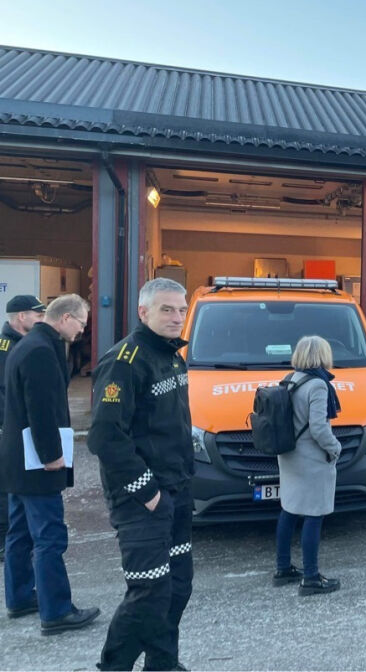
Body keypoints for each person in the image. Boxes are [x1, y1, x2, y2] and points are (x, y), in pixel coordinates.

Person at [88, 278, 193, 671]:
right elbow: (104, 436)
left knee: (177, 587)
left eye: (181, 309)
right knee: (149, 590)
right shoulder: (124, 361)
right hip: (142, 501)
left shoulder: (171, 356)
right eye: (167, 309)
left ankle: (163, 663)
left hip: (177, 494)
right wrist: (148, 492)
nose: (176, 317)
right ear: (143, 311)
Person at [0, 293, 99, 634]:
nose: (82, 331)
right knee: (49, 536)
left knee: (19, 531)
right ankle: (56, 611)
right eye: (82, 323)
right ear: (65, 318)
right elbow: (40, 409)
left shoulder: (25, 346)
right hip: (37, 461)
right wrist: (51, 456)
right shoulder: (41, 351)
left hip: (16, 460)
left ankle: (20, 597)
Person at [272, 335, 344, 595]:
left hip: (289, 455)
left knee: (289, 509)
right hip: (311, 459)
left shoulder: (290, 379)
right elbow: (318, 427)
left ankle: (282, 568)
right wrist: (335, 447)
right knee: (314, 514)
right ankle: (311, 577)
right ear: (322, 356)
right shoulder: (318, 385)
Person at [0, 294, 46, 563]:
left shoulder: (21, 343)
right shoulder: (6, 347)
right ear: (21, 317)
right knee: (6, 486)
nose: (41, 320)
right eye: (37, 315)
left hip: (13, 428)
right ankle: (6, 540)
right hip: (6, 428)